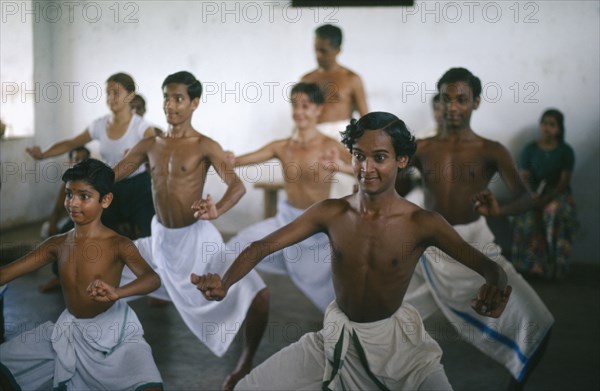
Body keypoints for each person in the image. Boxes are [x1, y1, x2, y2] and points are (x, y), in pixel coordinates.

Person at [192, 112, 512, 390]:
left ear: (402, 160)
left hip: (399, 347)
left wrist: (495, 287)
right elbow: (261, 246)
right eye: (359, 155)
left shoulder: (421, 222)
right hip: (336, 337)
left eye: (380, 157)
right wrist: (225, 281)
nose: (366, 167)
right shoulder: (331, 212)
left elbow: (490, 267)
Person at [399, 67, 555, 389]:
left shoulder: (490, 150)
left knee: (538, 322)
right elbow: (394, 191)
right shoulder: (422, 148)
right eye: (446, 99)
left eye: (461, 99)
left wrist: (501, 209)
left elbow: (526, 199)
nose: (453, 107)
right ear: (439, 103)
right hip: (430, 249)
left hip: (475, 247)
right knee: (382, 319)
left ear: (476, 102)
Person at [113, 71, 269, 391]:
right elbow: (111, 176)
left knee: (259, 295)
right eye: (167, 98)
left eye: (179, 99)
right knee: (104, 267)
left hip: (197, 240)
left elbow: (237, 186)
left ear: (194, 103)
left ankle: (245, 363)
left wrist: (218, 209)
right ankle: (106, 356)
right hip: (161, 241)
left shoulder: (205, 145)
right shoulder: (150, 143)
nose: (170, 105)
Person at [0, 158, 163, 390]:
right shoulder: (56, 245)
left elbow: (152, 279)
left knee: (148, 384)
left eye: (84, 196)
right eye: (69, 194)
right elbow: (6, 273)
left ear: (105, 200)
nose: (73, 203)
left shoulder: (119, 244)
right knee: (7, 366)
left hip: (115, 334)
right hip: (71, 331)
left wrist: (118, 292)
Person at [226, 82, 352, 312]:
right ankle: (245, 303)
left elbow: (365, 170)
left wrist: (340, 167)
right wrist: (223, 157)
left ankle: (347, 327)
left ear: (318, 110)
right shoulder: (282, 147)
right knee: (234, 249)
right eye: (295, 105)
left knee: (335, 292)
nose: (299, 111)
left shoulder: (329, 146)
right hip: (286, 221)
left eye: (306, 105)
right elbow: (239, 161)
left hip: (317, 230)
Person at [26, 72, 157, 239]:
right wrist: (44, 154)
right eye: (108, 93)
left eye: (116, 93)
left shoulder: (142, 127)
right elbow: (70, 143)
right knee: (70, 232)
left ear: (131, 95)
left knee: (150, 239)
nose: (111, 98)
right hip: (110, 186)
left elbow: (156, 153)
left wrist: (140, 156)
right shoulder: (100, 125)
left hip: (139, 189)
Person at [301, 24, 368, 198]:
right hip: (313, 136)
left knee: (341, 183)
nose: (318, 55)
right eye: (315, 50)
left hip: (341, 138)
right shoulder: (307, 80)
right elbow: (300, 112)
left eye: (323, 51)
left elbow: (366, 119)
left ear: (338, 50)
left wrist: (363, 150)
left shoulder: (352, 79)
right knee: (307, 179)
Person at [511, 109, 578, 280]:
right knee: (526, 215)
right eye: (544, 123)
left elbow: (564, 182)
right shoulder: (529, 150)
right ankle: (531, 267)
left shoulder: (565, 151)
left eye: (552, 124)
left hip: (557, 195)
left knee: (553, 212)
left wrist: (547, 198)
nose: (547, 127)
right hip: (533, 193)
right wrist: (534, 196)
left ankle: (555, 269)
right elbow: (524, 177)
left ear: (559, 129)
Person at [38, 146, 91, 293]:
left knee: (65, 233)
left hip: (90, 220)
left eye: (83, 160)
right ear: (70, 162)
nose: (79, 162)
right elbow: (57, 208)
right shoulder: (68, 182)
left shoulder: (94, 180)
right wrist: (52, 224)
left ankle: (76, 275)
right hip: (74, 219)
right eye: (76, 159)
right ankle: (60, 276)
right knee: (51, 230)